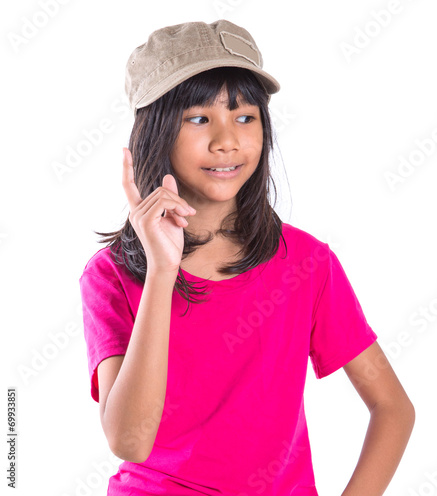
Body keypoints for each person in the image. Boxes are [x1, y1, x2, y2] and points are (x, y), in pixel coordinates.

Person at [79, 19, 415, 496]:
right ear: (155, 132)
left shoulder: (307, 263)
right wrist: (160, 271)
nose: (227, 140)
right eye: (199, 118)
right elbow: (129, 441)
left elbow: (393, 408)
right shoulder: (110, 276)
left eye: (245, 117)